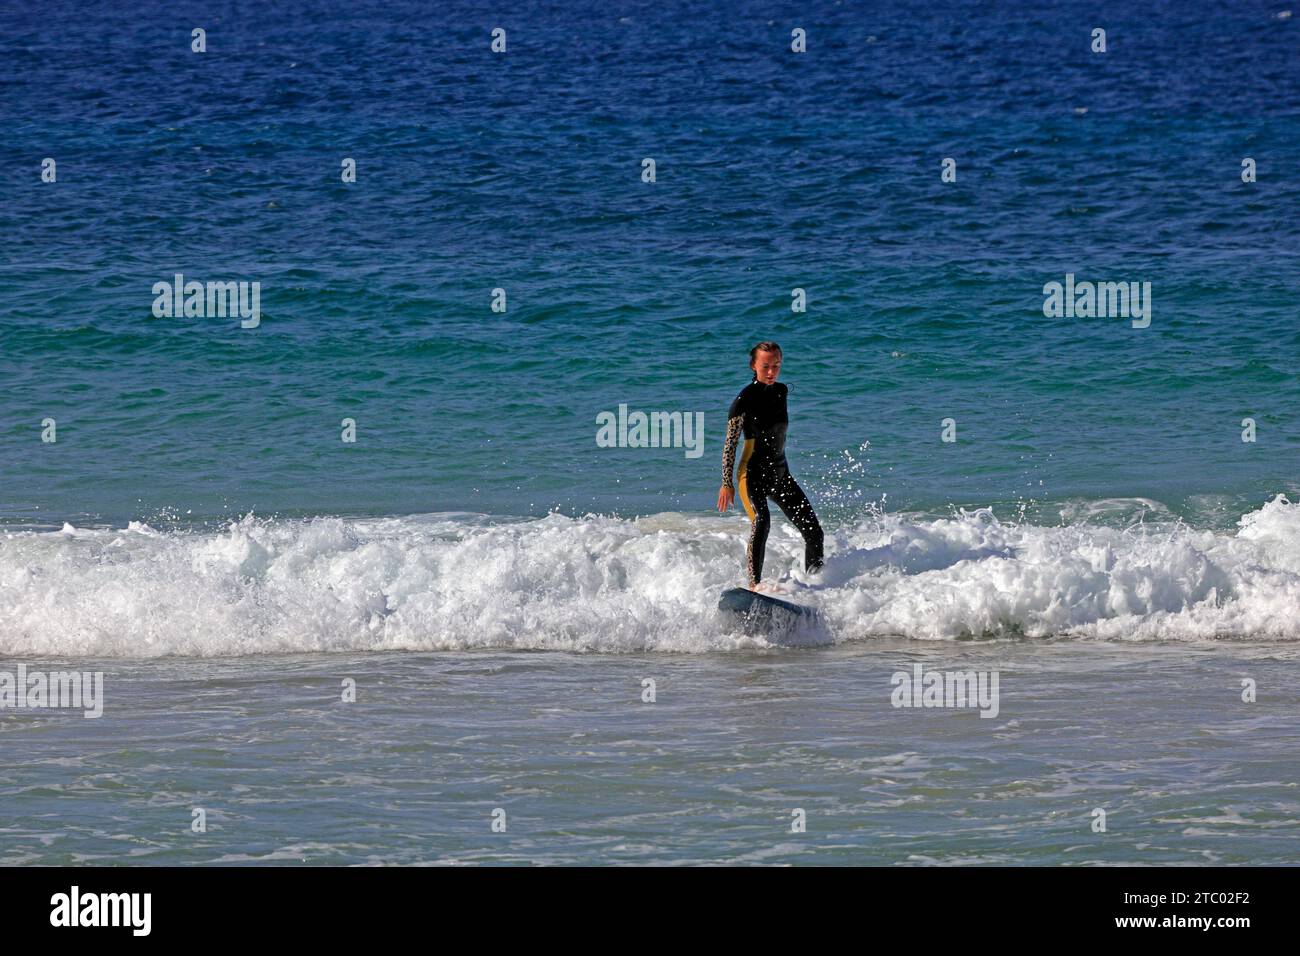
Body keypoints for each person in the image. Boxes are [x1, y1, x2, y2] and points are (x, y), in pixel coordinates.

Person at [717, 341, 824, 590]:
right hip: (751, 475)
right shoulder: (742, 401)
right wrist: (726, 483)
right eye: (765, 366)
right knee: (762, 521)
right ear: (753, 365)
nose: (771, 372)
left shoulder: (781, 392)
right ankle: (754, 586)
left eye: (776, 365)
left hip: (780, 474)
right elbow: (730, 444)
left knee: (814, 532)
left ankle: (817, 586)